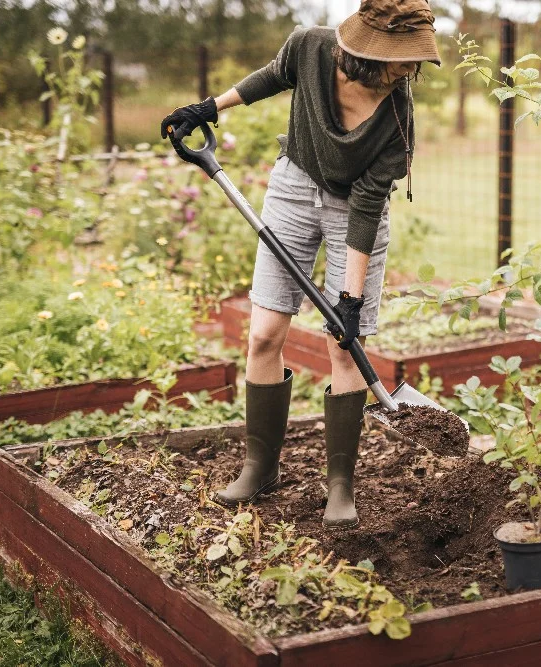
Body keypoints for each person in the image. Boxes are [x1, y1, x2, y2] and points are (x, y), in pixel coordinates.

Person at [160, 0, 441, 528]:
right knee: (264, 333)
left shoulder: (397, 116)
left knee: (343, 346)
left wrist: (350, 301)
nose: (409, 69)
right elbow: (271, 77)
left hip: (353, 212)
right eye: (400, 57)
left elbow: (366, 207)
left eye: (414, 58)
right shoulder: (309, 47)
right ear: (366, 50)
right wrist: (208, 108)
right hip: (293, 186)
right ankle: (259, 468)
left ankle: (340, 486)